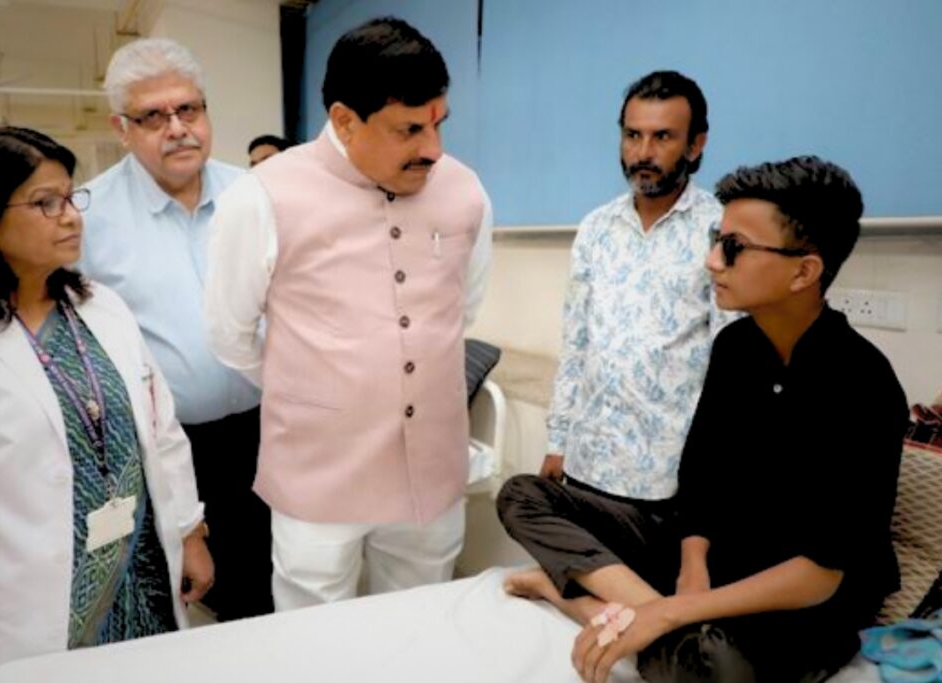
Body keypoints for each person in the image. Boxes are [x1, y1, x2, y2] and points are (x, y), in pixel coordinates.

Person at [505, 156, 908, 683]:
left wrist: (672, 612)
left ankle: (582, 602)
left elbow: (820, 572)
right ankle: (642, 617)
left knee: (721, 668)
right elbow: (699, 481)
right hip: (717, 565)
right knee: (523, 495)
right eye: (717, 239)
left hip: (802, 599)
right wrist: (692, 571)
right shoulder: (736, 347)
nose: (712, 261)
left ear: (804, 271)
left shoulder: (862, 385)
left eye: (734, 248)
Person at [205, 16, 492, 611]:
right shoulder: (262, 196)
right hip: (318, 478)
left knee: (420, 622)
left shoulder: (466, 191)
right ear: (344, 120)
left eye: (439, 124)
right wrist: (317, 388)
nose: (433, 149)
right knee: (314, 636)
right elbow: (231, 335)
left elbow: (460, 309)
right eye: (410, 129)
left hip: (430, 475)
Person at [0, 127, 213, 669]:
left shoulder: (102, 307)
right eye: (45, 203)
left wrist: (189, 531)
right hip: (11, 611)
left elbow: (163, 431)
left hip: (137, 584)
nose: (72, 216)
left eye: (71, 196)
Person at [497, 70, 727, 609]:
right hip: (589, 464)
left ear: (697, 144)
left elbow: (729, 361)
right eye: (632, 135)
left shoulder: (720, 230)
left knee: (650, 595)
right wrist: (559, 439)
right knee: (523, 506)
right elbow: (577, 342)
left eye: (663, 137)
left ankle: (578, 595)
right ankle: (580, 595)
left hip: (670, 482)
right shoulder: (596, 228)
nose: (643, 152)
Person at [78, 38, 270, 620]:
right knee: (190, 596)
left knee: (274, 585)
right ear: (122, 128)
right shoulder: (88, 217)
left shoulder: (256, 195)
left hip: (272, 430)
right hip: (170, 447)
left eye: (189, 109)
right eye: (153, 117)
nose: (178, 128)